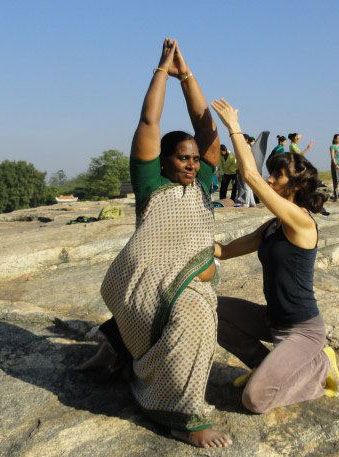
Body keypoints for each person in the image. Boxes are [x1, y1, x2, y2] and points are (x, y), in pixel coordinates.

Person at [82, 39, 232, 448]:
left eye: (195, 158)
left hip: (187, 282)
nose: (191, 163)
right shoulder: (152, 184)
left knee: (196, 314)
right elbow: (149, 123)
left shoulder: (202, 183)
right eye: (182, 158)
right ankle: (182, 416)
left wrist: (188, 75)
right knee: (195, 321)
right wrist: (162, 71)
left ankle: (121, 354)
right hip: (146, 279)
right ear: (164, 160)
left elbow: (207, 129)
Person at [210, 98, 339, 414]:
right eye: (271, 175)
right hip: (272, 320)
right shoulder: (271, 227)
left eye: (277, 177)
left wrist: (234, 128)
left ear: (294, 186)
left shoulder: (302, 221)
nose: (270, 180)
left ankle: (321, 367)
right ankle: (263, 366)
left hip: (303, 331)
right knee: (208, 309)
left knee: (255, 401)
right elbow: (225, 252)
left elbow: (252, 179)